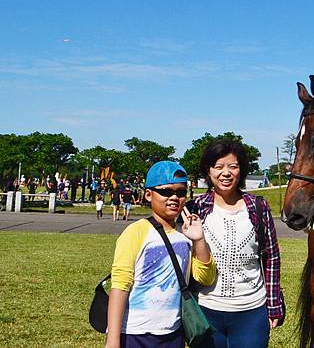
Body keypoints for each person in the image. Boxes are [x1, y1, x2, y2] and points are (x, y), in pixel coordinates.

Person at [105, 161, 216, 348]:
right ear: (148, 195)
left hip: (173, 332)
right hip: (135, 333)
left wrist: (199, 239)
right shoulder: (136, 231)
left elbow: (205, 277)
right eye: (165, 192)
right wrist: (113, 340)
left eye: (180, 193)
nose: (174, 198)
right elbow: (120, 285)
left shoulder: (186, 234)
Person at [188, 140, 284, 348]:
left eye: (233, 166)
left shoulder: (258, 207)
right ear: (208, 170)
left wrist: (274, 304)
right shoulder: (195, 207)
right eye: (219, 167)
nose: (226, 173)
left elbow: (271, 257)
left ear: (241, 170)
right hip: (205, 311)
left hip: (251, 312)